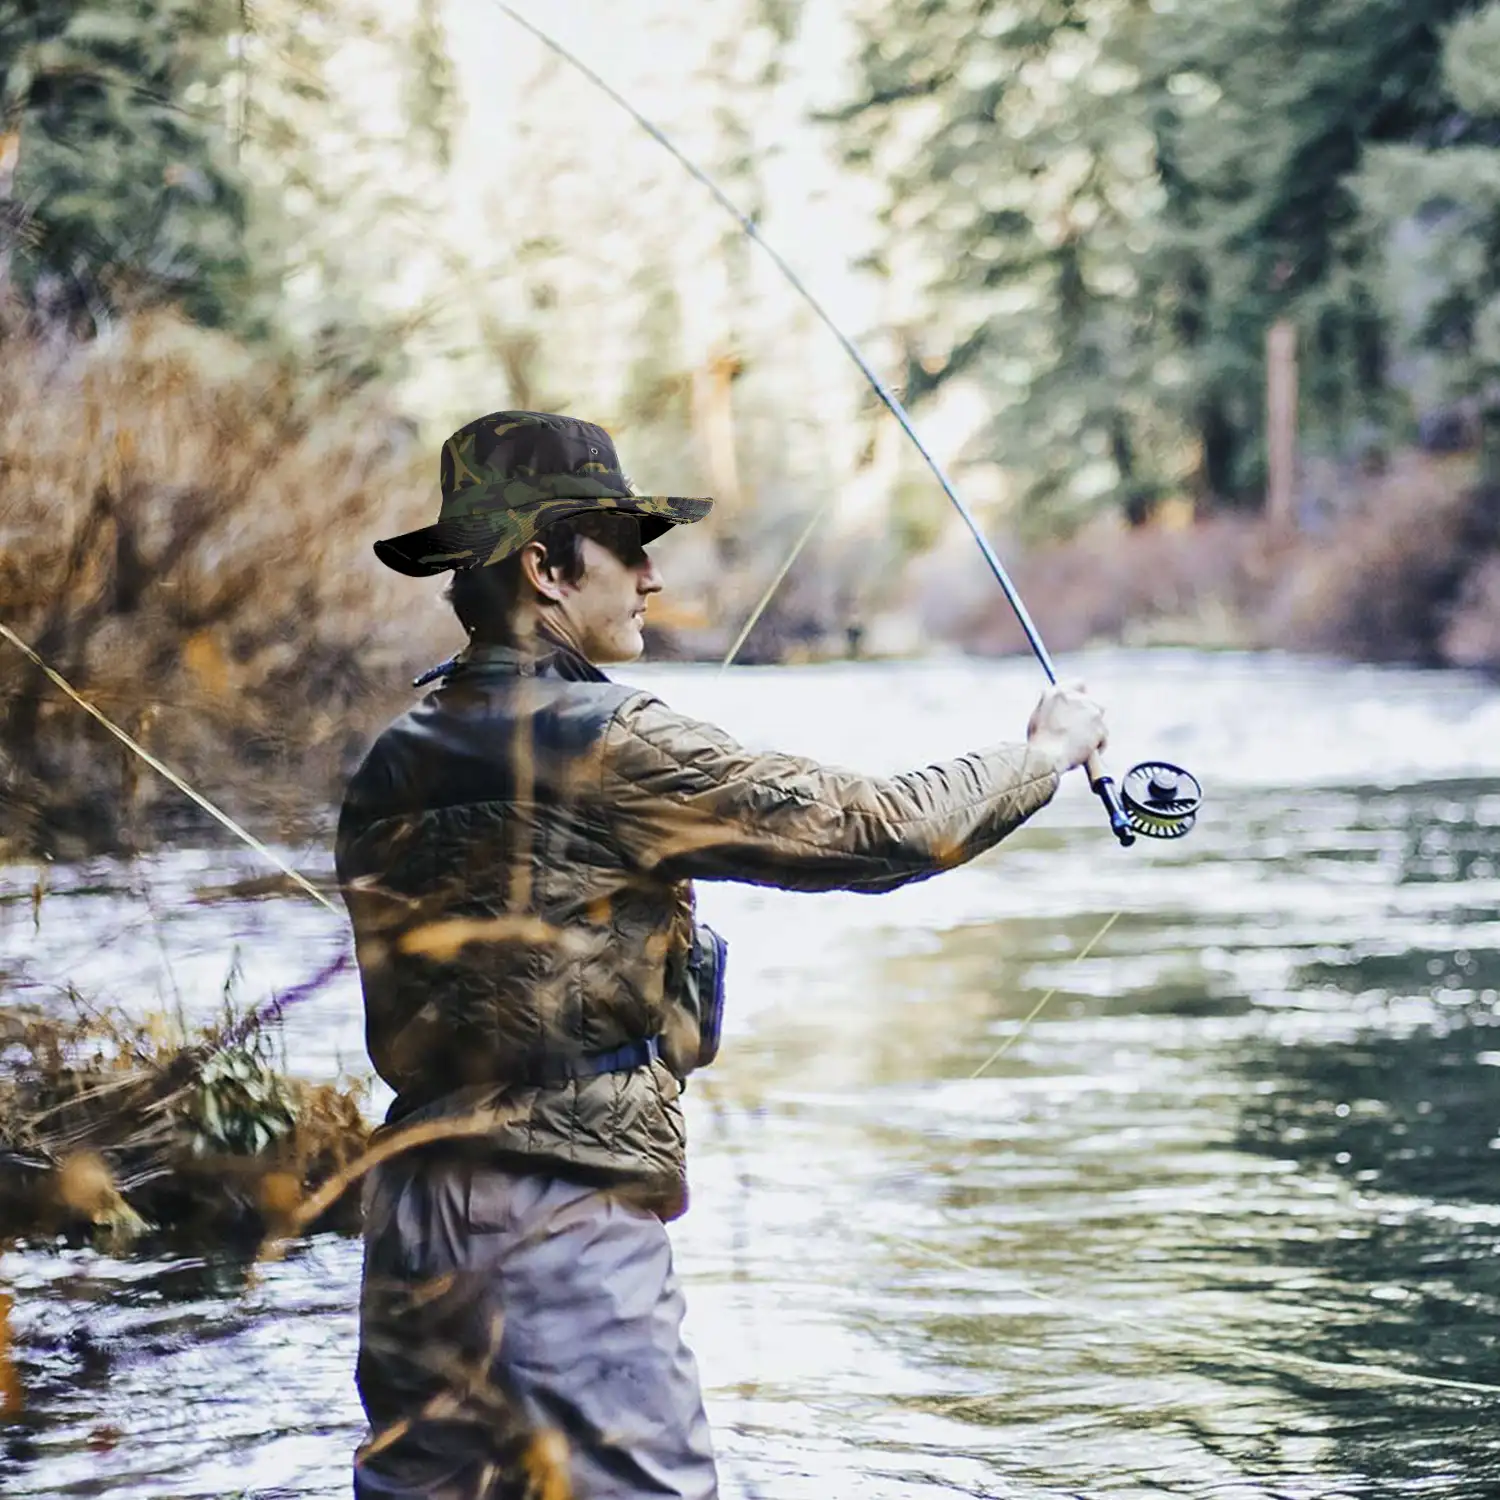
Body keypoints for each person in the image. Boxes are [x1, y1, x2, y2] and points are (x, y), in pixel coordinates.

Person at [335, 410, 1108, 1500]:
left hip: (410, 1222)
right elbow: (878, 830)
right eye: (628, 547)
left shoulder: (390, 758)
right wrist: (1042, 755)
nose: (651, 576)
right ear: (547, 570)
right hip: (557, 1221)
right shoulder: (611, 740)